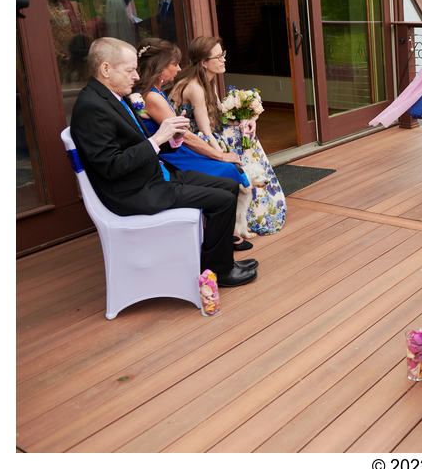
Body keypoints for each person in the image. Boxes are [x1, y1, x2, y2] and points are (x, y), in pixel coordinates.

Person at [69, 37, 257, 287]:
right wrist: (158, 137)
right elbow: (111, 166)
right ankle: (219, 272)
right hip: (134, 192)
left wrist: (173, 136)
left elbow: (140, 142)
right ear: (105, 69)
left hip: (152, 176)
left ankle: (219, 262)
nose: (136, 76)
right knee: (222, 200)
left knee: (227, 185)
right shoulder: (92, 107)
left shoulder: (112, 97)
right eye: (129, 70)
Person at [133, 38, 255, 252]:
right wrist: (219, 155)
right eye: (174, 64)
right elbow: (186, 137)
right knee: (225, 169)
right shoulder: (152, 96)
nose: (179, 68)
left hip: (178, 147)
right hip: (171, 155)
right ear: (160, 67)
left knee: (228, 165)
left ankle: (226, 229)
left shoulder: (156, 90)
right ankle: (223, 232)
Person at [170, 35, 287, 236]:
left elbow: (220, 116)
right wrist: (225, 158)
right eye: (218, 57)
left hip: (205, 132)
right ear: (204, 62)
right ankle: (252, 209)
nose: (224, 59)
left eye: (223, 54)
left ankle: (257, 206)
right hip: (187, 143)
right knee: (240, 145)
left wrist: (248, 119)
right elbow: (205, 131)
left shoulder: (208, 81)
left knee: (247, 136)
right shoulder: (195, 87)